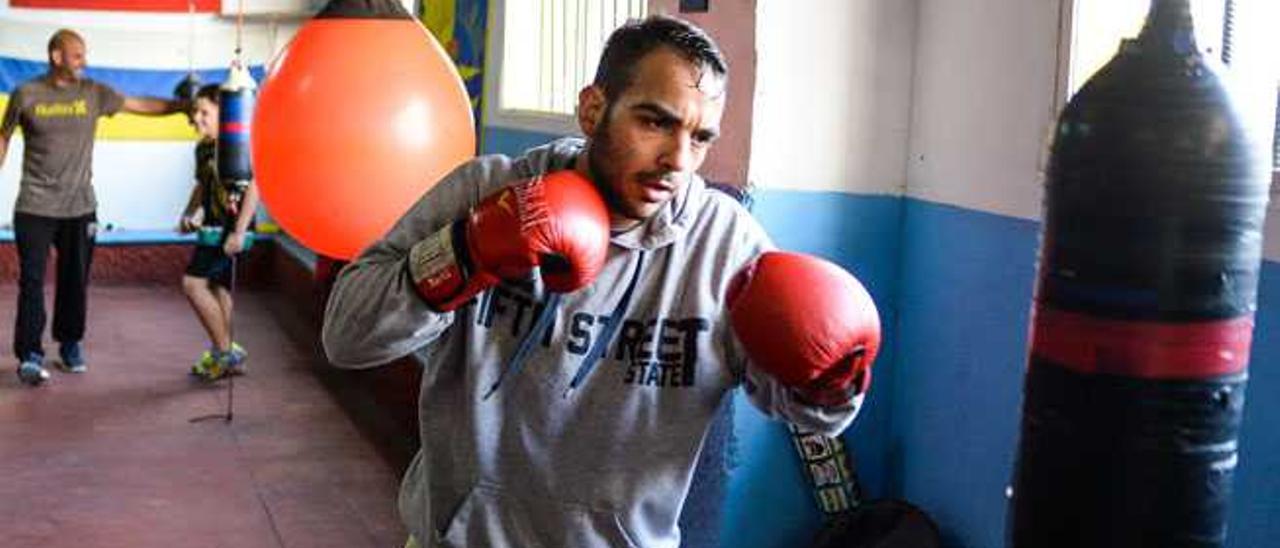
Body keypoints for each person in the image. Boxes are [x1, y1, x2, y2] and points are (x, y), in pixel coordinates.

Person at [322, 15, 878, 548]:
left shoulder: (724, 246)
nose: (678, 159)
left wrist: (830, 381)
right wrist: (465, 255)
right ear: (593, 109)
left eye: (701, 136)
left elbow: (814, 414)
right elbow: (347, 335)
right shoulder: (486, 191)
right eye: (655, 121)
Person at [0, 28, 187, 386]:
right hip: (34, 205)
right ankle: (30, 354)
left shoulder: (94, 93)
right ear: (56, 56)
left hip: (80, 207)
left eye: (84, 55)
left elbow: (141, 105)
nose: (84, 62)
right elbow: (4, 134)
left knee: (74, 279)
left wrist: (184, 106)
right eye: (77, 55)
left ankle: (70, 344)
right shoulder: (26, 94)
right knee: (32, 281)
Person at [177, 83, 258, 381]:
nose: (196, 118)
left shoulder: (239, 143)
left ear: (225, 113)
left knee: (192, 284)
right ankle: (226, 353)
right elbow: (202, 186)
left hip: (232, 230)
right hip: (212, 227)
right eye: (194, 112)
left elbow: (254, 187)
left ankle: (225, 352)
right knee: (219, 288)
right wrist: (190, 214)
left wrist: (239, 232)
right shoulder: (203, 148)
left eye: (204, 112)